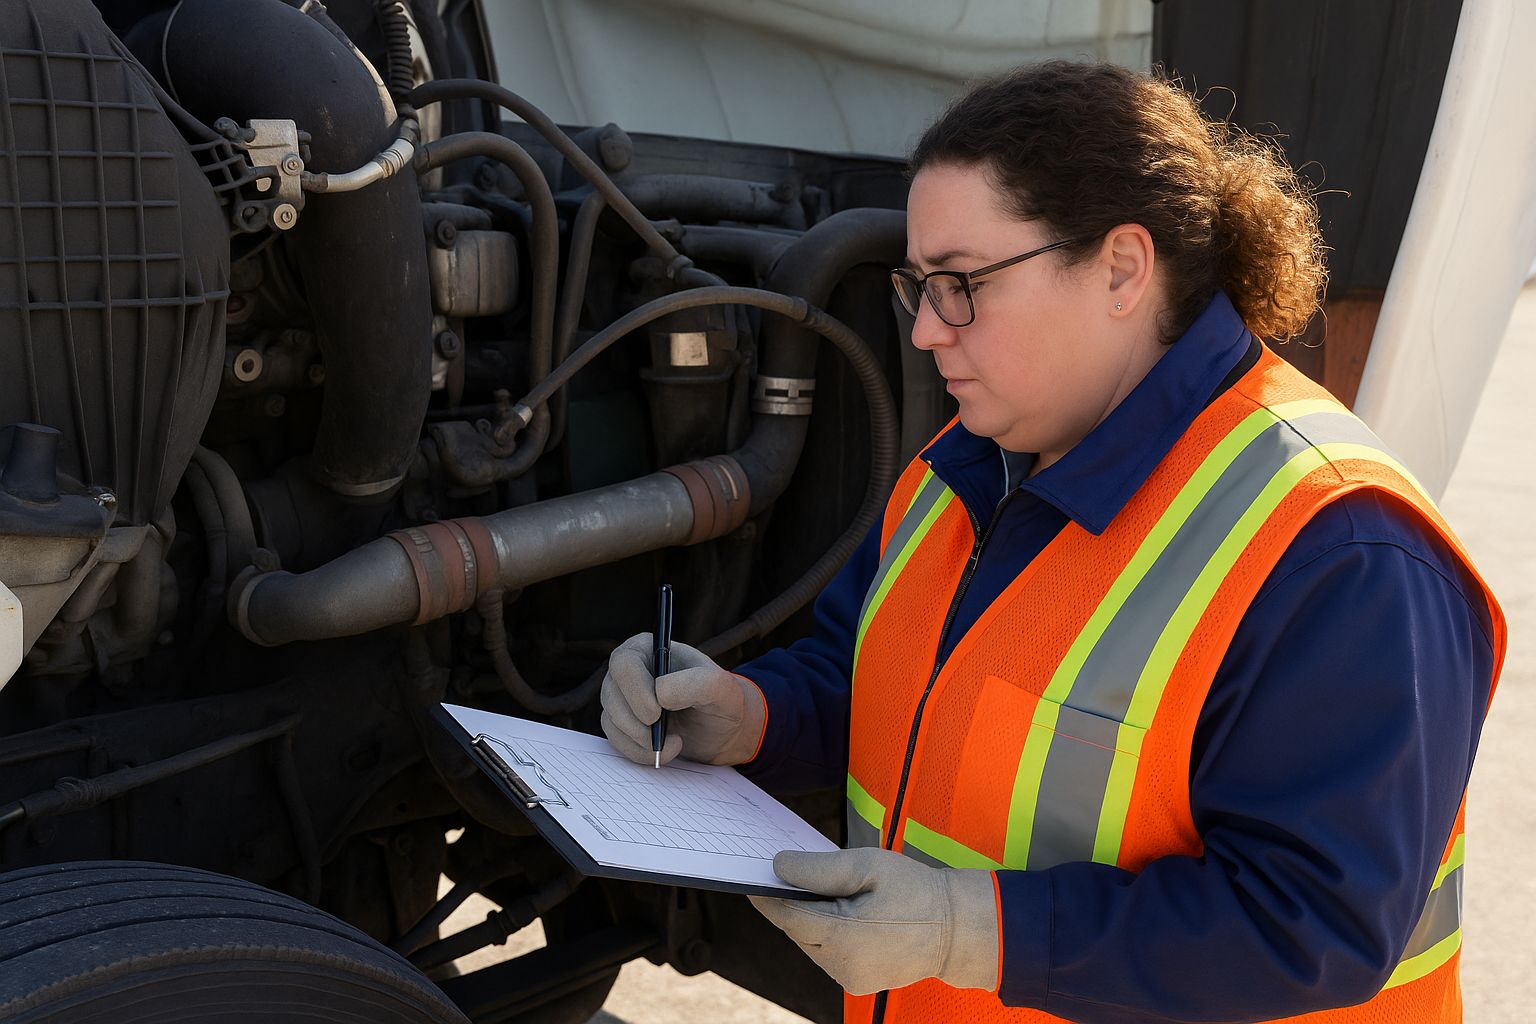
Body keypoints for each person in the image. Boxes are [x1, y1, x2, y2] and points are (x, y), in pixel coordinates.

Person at [600, 61, 1504, 1023]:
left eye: (963, 285)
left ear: (1121, 267)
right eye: (920, 286)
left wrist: (969, 928)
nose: (926, 334)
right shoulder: (969, 460)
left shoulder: (1340, 549)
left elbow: (1313, 926)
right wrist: (748, 717)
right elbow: (881, 677)